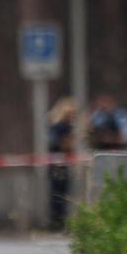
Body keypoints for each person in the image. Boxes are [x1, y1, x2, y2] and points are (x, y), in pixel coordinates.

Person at [47, 97, 78, 230]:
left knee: (58, 193)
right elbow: (64, 145)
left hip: (56, 164)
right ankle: (58, 221)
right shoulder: (63, 127)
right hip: (59, 165)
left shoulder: (54, 126)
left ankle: (57, 221)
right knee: (60, 193)